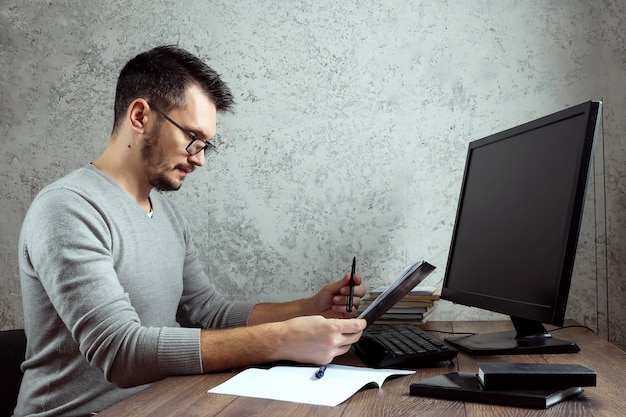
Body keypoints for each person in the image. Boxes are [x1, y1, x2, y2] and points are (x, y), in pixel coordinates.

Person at [14, 45, 366, 416]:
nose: (199, 158)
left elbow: (209, 312)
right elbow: (120, 352)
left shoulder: (165, 213)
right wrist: (281, 339)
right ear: (139, 116)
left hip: (164, 406)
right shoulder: (66, 208)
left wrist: (310, 309)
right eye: (192, 138)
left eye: (206, 145)